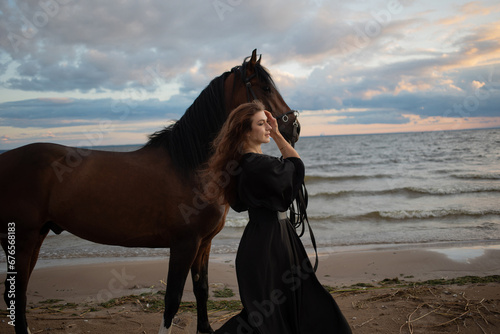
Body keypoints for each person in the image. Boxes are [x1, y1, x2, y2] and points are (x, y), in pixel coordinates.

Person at [201, 100, 352, 333]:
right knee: (275, 313)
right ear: (245, 130)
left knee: (274, 311)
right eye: (261, 124)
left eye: (268, 123)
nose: (268, 128)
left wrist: (274, 129)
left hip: (268, 240)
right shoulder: (259, 165)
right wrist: (280, 136)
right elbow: (296, 167)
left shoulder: (241, 164)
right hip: (271, 245)